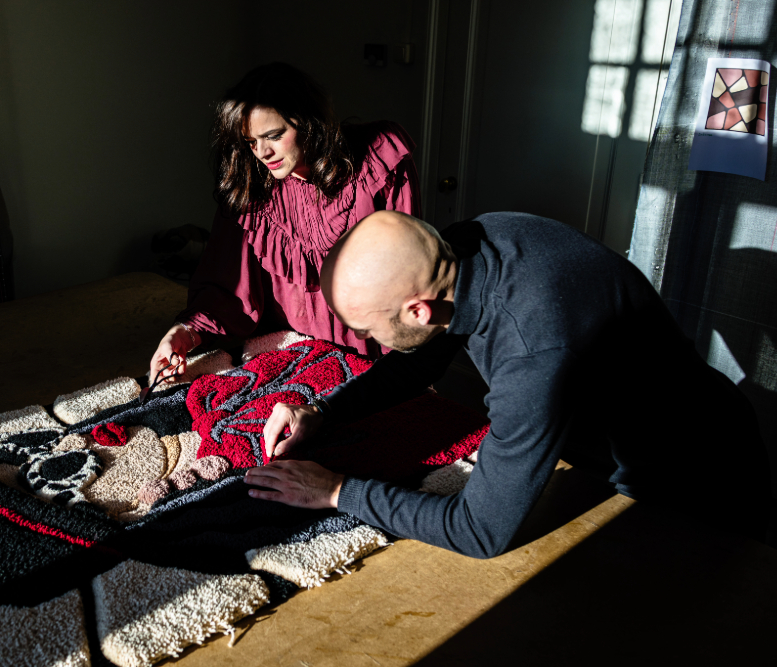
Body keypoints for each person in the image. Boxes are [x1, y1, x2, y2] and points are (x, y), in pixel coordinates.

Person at [244, 210, 776, 557]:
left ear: (419, 308)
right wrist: (324, 411)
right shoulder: (471, 241)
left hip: (695, 484)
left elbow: (480, 531)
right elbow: (417, 359)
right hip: (652, 427)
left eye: (366, 329)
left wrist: (337, 491)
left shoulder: (532, 354)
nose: (366, 340)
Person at [148, 63, 421, 381]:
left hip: (367, 368)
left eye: (274, 136)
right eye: (250, 141)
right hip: (287, 366)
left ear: (309, 122)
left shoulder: (378, 164)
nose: (262, 152)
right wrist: (185, 332)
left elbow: (406, 280)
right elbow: (227, 290)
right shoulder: (249, 189)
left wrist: (407, 372)